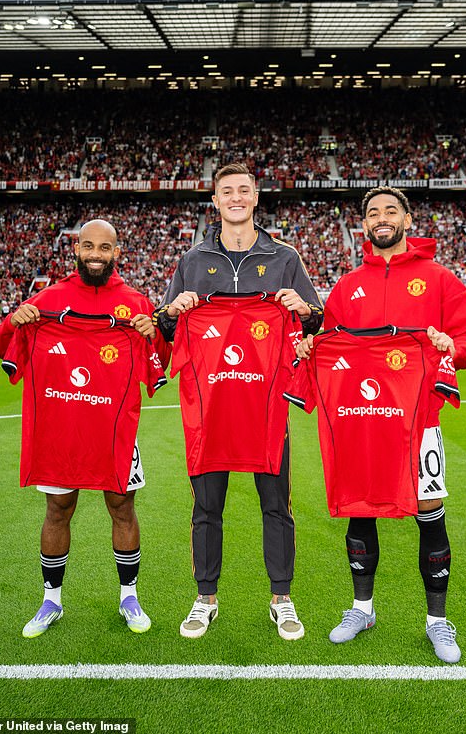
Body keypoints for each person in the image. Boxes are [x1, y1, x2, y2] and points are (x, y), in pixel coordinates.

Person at [298, 186, 466, 663]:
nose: (382, 219)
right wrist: (309, 348)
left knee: (430, 513)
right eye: (373, 213)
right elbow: (330, 342)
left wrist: (450, 348)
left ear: (407, 219)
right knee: (362, 508)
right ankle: (362, 609)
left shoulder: (438, 278)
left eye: (390, 211)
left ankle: (438, 622)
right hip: (361, 420)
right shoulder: (347, 285)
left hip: (420, 420)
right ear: (364, 226)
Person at [155, 162, 323, 641]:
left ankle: (282, 600)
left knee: (277, 505)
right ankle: (205, 598)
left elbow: (315, 321)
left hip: (264, 408)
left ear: (255, 198)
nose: (235, 197)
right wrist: (173, 311)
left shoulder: (285, 256)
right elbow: (166, 329)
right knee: (206, 506)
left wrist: (302, 309)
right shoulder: (192, 261)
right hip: (209, 411)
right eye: (225, 191)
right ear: (215, 201)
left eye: (243, 190)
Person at [0, 219, 168, 639]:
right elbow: (8, 348)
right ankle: (50, 600)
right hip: (61, 431)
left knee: (122, 506)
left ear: (116, 252)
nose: (95, 254)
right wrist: (15, 322)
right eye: (88, 246)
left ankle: (129, 596)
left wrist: (155, 334)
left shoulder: (136, 303)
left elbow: (161, 365)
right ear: (76, 249)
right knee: (58, 509)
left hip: (114, 432)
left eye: (104, 248)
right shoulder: (49, 299)